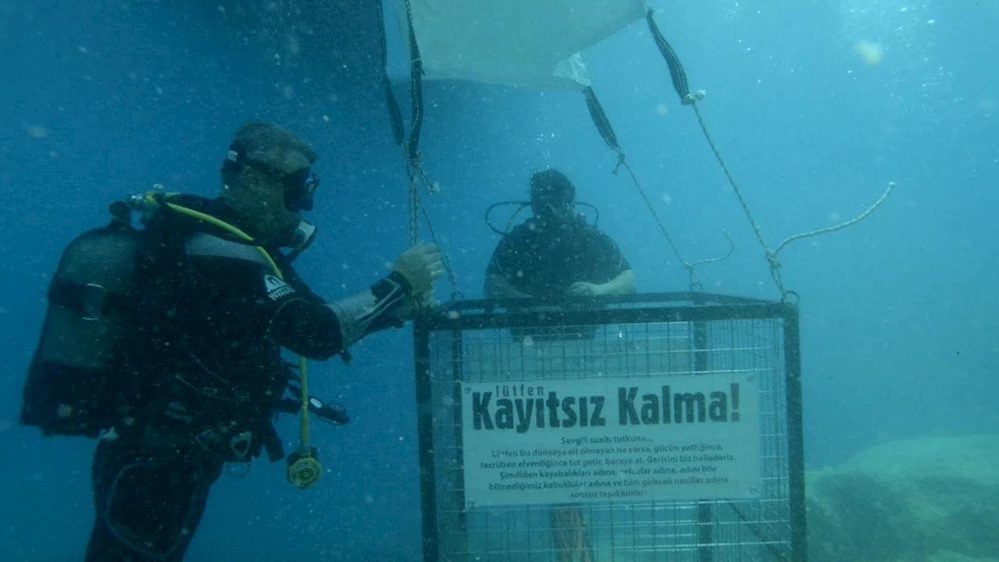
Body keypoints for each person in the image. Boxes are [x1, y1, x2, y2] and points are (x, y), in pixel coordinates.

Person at [20, 121, 443, 561]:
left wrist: (395, 311)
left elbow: (317, 318)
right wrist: (398, 283)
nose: (305, 206)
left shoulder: (237, 248)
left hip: (164, 456)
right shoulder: (221, 251)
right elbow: (315, 334)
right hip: (156, 460)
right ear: (255, 181)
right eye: (298, 189)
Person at [485, 168, 635, 304]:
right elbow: (492, 284)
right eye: (541, 204)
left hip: (573, 322)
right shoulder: (518, 240)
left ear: (571, 204)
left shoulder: (591, 239)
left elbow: (629, 281)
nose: (548, 211)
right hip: (533, 323)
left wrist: (597, 291)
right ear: (533, 206)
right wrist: (529, 303)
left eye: (555, 203)